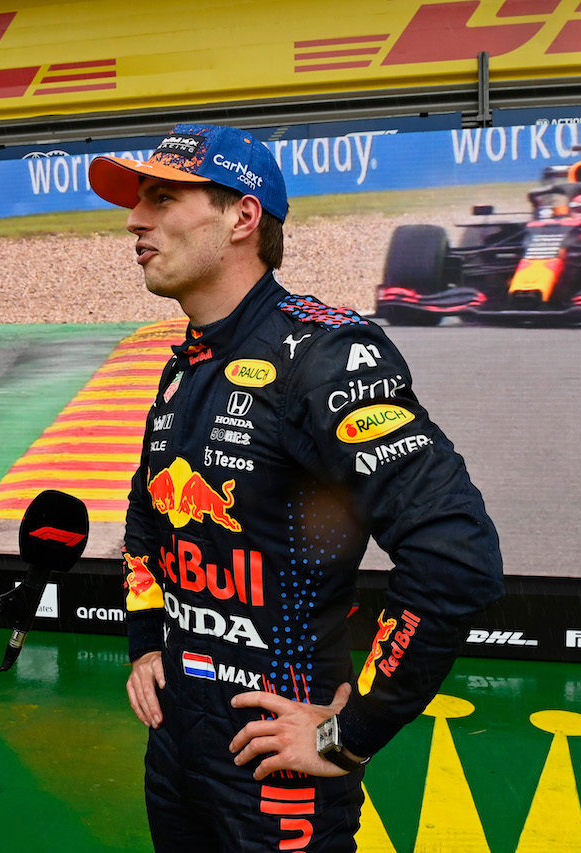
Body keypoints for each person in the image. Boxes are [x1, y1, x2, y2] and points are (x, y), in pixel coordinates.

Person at [89, 124, 505, 851]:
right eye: (137, 201)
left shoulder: (326, 353)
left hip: (274, 753)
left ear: (242, 217)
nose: (134, 219)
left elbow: (454, 555)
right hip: (178, 739)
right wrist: (144, 639)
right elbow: (148, 511)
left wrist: (352, 734)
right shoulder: (185, 361)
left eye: (161, 198)